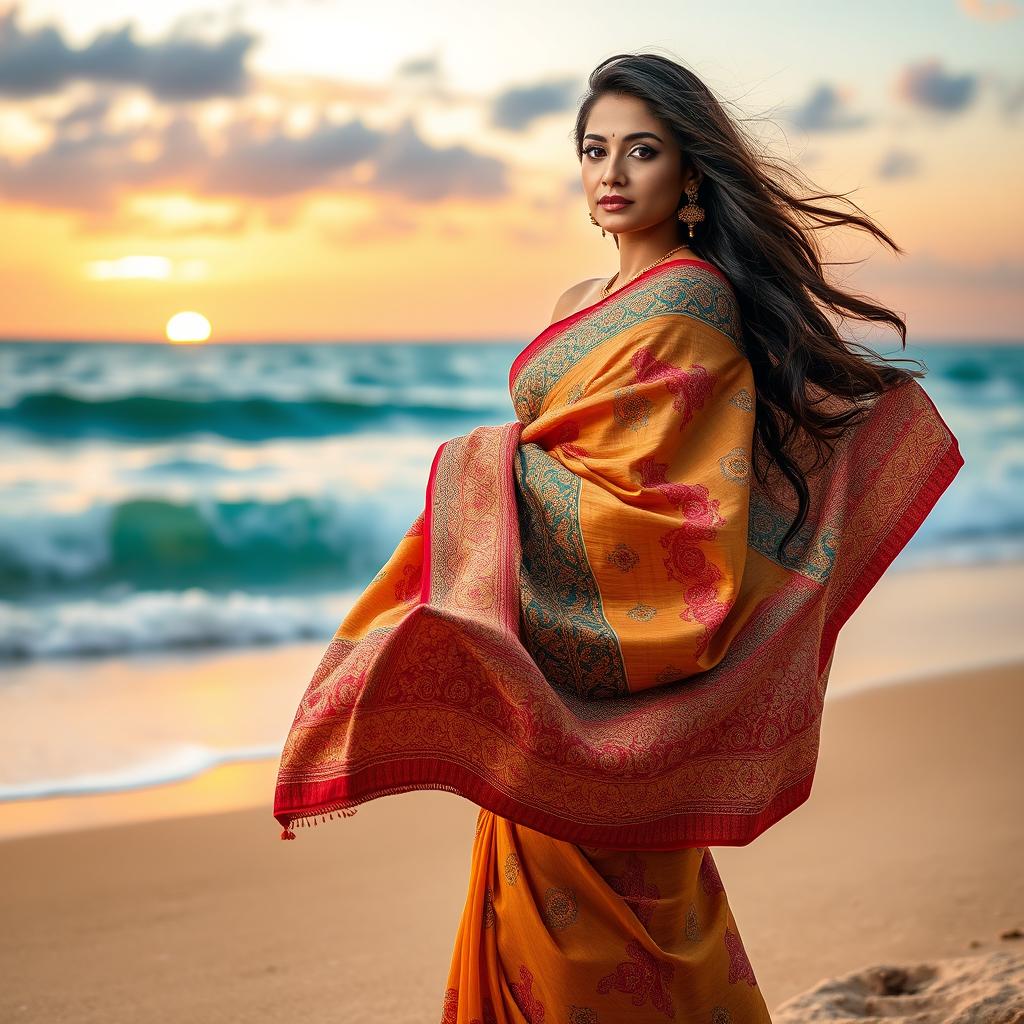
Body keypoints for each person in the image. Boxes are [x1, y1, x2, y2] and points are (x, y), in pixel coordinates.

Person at [273, 53, 965, 1022]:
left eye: (641, 151)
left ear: (689, 176)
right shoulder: (576, 299)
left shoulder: (692, 303)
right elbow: (584, 452)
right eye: (594, 150)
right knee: (559, 899)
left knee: (613, 913)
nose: (611, 173)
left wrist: (487, 471)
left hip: (614, 650)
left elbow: (666, 503)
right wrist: (502, 478)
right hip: (544, 646)